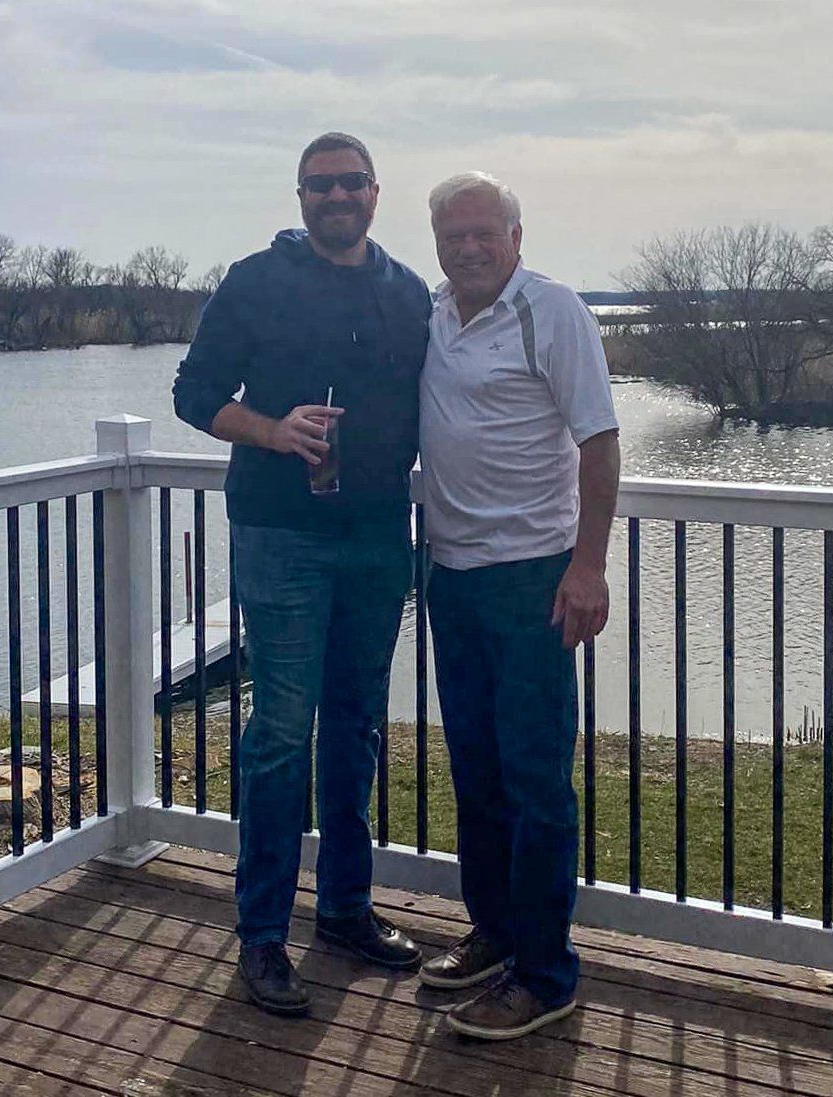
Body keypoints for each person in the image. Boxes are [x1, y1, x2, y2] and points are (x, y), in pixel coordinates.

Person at [172, 133, 431, 1016]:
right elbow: (192, 393)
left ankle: (346, 912)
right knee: (281, 733)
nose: (336, 196)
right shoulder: (254, 281)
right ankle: (261, 937)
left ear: (374, 192)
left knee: (356, 727)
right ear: (298, 195)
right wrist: (274, 430)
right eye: (320, 184)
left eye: (350, 182)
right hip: (281, 535)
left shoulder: (406, 292)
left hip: (376, 539)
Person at [416, 171, 621, 1040]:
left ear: (515, 236)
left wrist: (588, 566)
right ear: (435, 242)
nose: (467, 247)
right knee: (476, 768)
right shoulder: (431, 313)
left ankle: (545, 972)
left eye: (482, 233)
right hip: (449, 574)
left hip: (531, 576)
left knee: (536, 779)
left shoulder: (552, 310)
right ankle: (495, 934)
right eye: (451, 234)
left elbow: (600, 442)